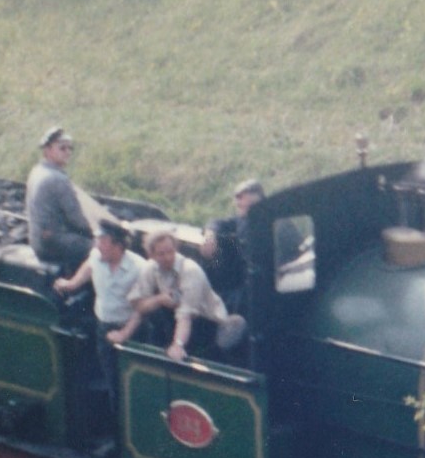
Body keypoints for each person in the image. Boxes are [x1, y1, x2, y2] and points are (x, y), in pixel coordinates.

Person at [53, 220, 146, 420]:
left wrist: (124, 334)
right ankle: (115, 422)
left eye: (103, 241)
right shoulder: (97, 256)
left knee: (128, 382)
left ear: (118, 245)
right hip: (104, 326)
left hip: (131, 331)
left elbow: (142, 309)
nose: (97, 246)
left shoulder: (139, 268)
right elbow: (88, 266)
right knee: (111, 377)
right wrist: (72, 284)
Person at [130, 229, 246, 364]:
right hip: (175, 323)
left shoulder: (191, 270)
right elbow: (138, 304)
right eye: (161, 254)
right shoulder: (150, 269)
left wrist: (178, 345)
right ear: (151, 255)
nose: (167, 257)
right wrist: (159, 299)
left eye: (170, 251)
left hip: (207, 327)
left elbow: (185, 316)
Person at [199, 178, 303, 314]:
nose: (240, 207)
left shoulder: (281, 225)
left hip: (267, 291)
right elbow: (220, 222)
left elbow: (287, 262)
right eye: (239, 205)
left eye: (245, 205)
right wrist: (210, 234)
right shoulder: (244, 219)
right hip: (246, 283)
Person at [26, 126, 93, 268]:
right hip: (53, 244)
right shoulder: (57, 179)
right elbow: (76, 219)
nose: (68, 152)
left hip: (38, 240)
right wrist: (95, 232)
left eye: (70, 148)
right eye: (62, 148)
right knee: (102, 250)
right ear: (47, 150)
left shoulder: (37, 171)